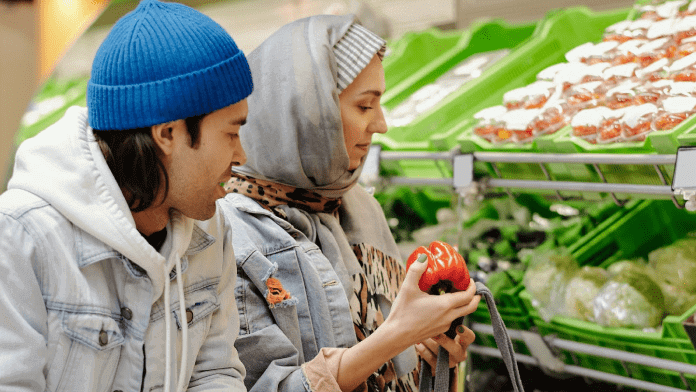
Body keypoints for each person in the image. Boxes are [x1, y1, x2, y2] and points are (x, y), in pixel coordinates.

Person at [218, 15, 480, 392]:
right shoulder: (233, 238)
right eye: (364, 106)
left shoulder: (356, 206)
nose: (382, 124)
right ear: (309, 114)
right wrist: (396, 336)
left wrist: (432, 357)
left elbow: (394, 361)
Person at [0, 1, 252, 391]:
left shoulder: (210, 230)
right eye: (232, 134)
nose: (242, 156)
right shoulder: (21, 237)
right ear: (167, 134)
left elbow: (215, 372)